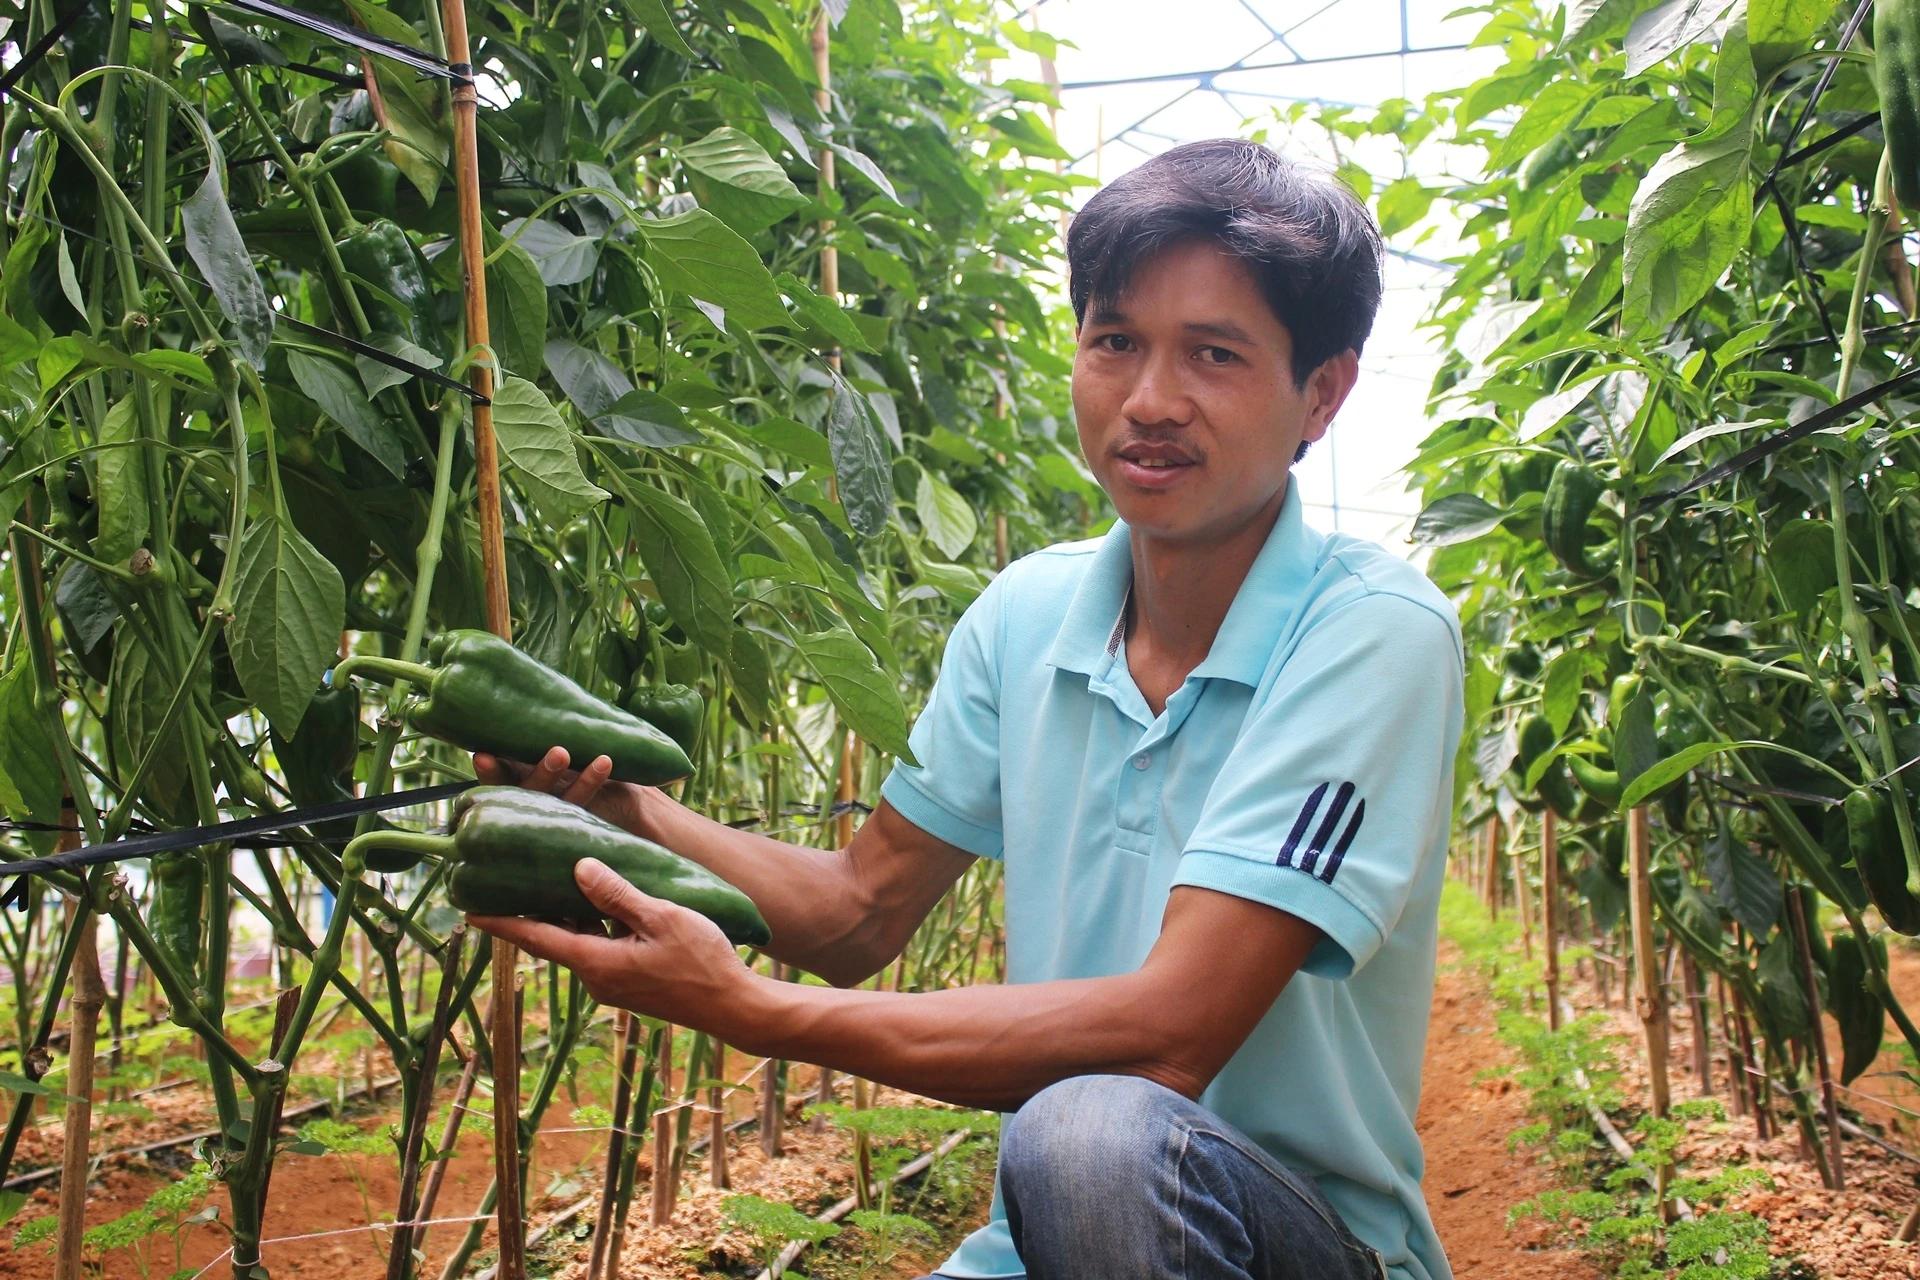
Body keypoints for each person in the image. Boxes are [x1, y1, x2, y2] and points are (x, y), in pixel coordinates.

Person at [473, 138, 1462, 1280]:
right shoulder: (1027, 612)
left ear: (1322, 394)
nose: (1149, 400)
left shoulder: (1371, 632)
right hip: (1050, 1241)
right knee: (1083, 1150)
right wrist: (630, 815)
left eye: (1216, 354)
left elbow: (1169, 1034)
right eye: (1116, 342)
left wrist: (749, 1007)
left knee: (1091, 1128)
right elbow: (856, 910)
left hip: (1303, 1243)